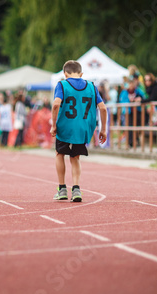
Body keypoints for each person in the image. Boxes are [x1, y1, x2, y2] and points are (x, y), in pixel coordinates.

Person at [50, 60, 107, 202]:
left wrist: (53, 125)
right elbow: (103, 108)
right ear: (81, 74)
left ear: (65, 74)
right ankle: (76, 190)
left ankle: (62, 188)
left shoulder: (62, 84)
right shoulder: (91, 86)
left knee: (59, 154)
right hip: (83, 128)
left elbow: (56, 104)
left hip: (65, 126)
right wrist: (103, 129)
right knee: (75, 157)